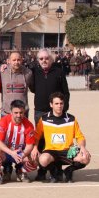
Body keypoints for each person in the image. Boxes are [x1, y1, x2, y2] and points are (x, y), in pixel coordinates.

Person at [31, 48, 70, 181]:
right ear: (38, 60)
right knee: (41, 141)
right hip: (40, 112)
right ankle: (42, 170)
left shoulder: (58, 72)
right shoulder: (34, 72)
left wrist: (63, 110)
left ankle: (56, 170)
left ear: (51, 59)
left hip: (56, 112)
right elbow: (32, 88)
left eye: (46, 58)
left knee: (56, 141)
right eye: (41, 59)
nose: (44, 61)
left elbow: (66, 92)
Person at [34, 92, 91, 183]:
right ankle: (55, 171)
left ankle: (69, 170)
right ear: (51, 105)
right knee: (43, 160)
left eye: (61, 103)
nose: (59, 106)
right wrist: (35, 148)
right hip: (51, 150)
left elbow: (80, 137)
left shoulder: (71, 119)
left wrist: (82, 147)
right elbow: (36, 136)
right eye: (56, 103)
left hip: (69, 150)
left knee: (86, 158)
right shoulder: (44, 119)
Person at [0, 100, 37, 184]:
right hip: (6, 153)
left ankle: (22, 171)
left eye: (21, 112)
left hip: (19, 154)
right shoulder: (3, 121)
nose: (19, 115)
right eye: (16, 113)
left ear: (24, 112)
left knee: (36, 158)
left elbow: (30, 145)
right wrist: (11, 153)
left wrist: (22, 154)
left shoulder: (29, 125)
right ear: (11, 112)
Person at [0, 51, 33, 117]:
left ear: (22, 60)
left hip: (22, 113)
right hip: (6, 113)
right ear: (8, 61)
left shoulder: (28, 73)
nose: (16, 62)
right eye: (14, 60)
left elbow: (33, 88)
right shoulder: (2, 72)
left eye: (18, 60)